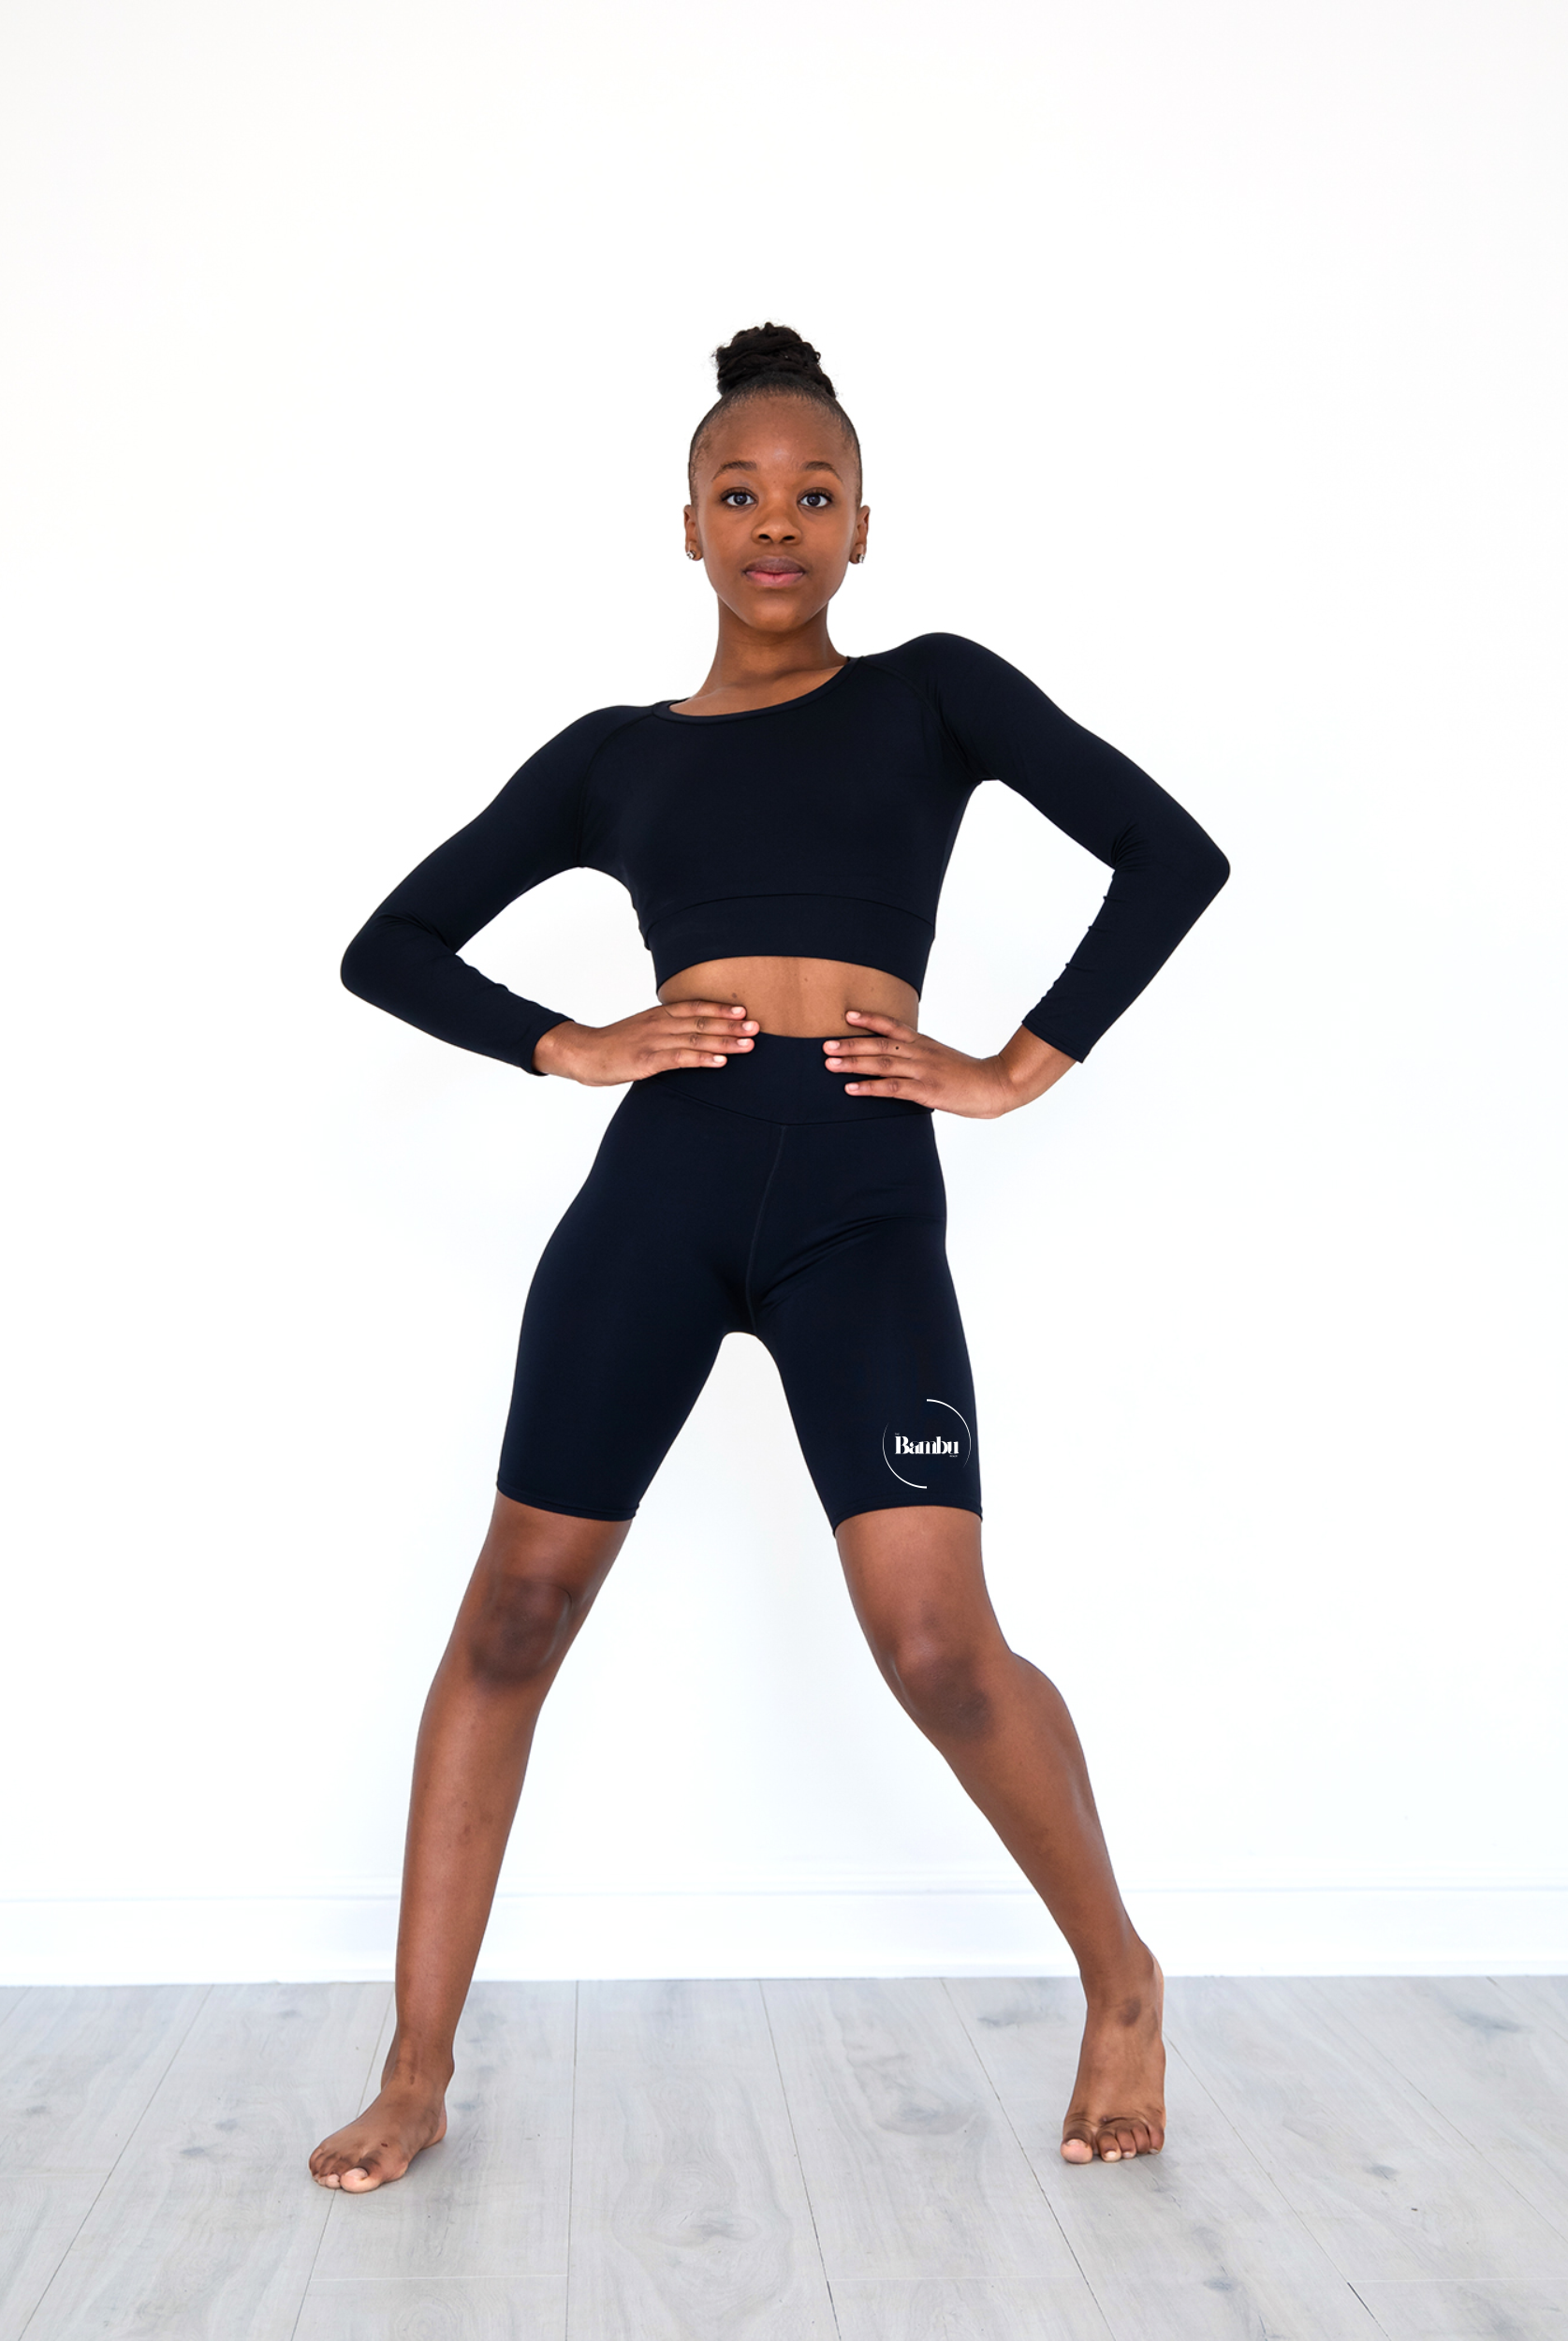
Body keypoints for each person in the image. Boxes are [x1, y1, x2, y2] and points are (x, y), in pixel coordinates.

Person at [311, 324, 1227, 2191]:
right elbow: (387, 944)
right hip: (661, 1190)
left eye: (814, 493)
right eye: (739, 492)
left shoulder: (935, 695)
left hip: (861, 1201)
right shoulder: (612, 756)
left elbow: (1170, 854)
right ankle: (414, 2065)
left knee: (934, 1645)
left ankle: (1120, 1976)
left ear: (864, 524)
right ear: (687, 525)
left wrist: (1014, 1066)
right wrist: (567, 1042)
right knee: (512, 1618)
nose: (777, 522)